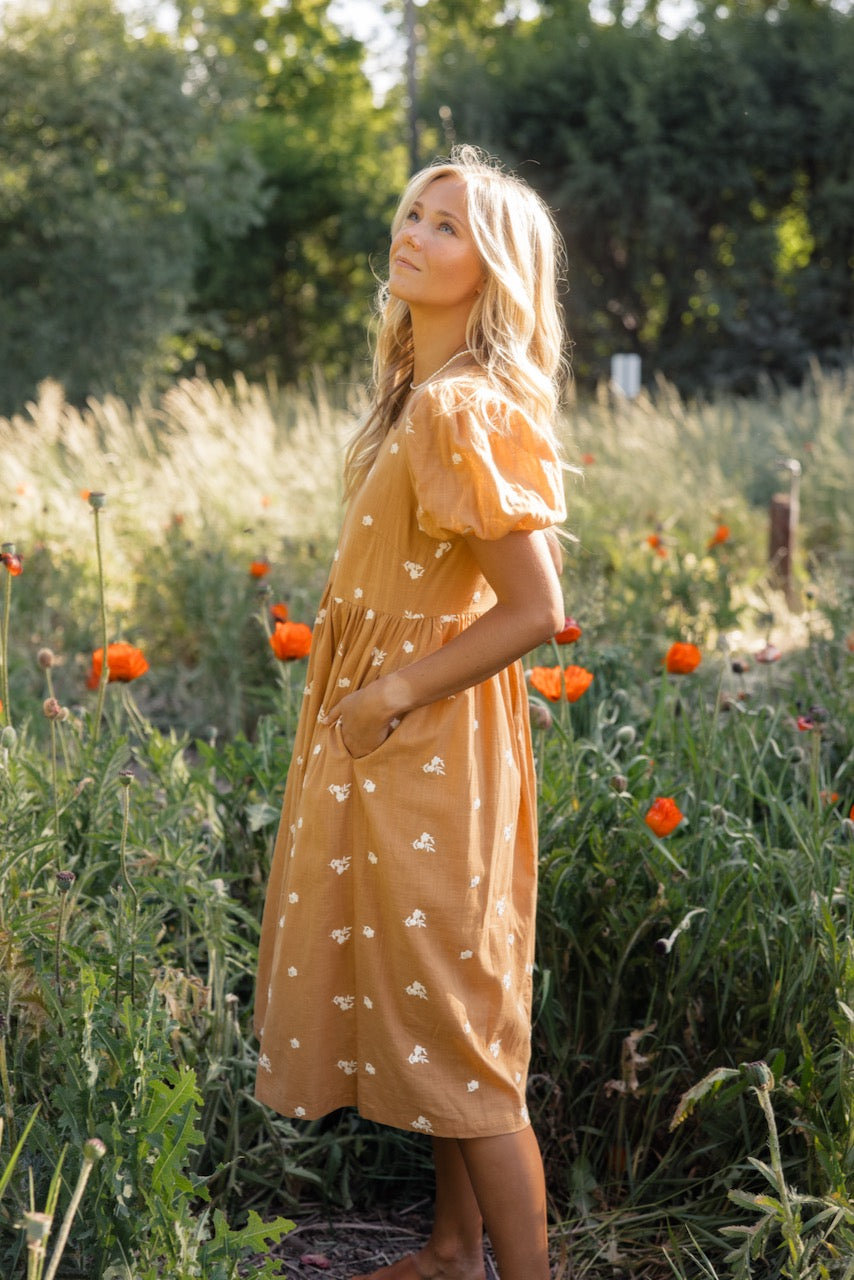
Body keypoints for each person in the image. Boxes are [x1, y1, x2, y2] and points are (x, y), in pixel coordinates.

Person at [254, 144, 568, 1280]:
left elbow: (535, 607)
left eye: (444, 224)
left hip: (426, 743)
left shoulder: (460, 407)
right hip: (396, 745)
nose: (411, 232)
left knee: (463, 1026)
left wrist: (385, 690)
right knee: (438, 1012)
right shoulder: (417, 401)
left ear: (494, 268)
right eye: (410, 212)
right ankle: (448, 1246)